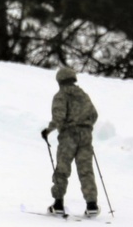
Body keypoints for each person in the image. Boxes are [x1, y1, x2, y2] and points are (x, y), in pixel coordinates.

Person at [41, 67, 99, 216]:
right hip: (85, 136)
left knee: (62, 169)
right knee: (86, 170)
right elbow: (94, 114)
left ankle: (58, 203)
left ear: (59, 80)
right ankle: (91, 204)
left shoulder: (60, 96)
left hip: (69, 136)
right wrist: (86, 126)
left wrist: (47, 131)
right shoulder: (83, 95)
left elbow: (59, 118)